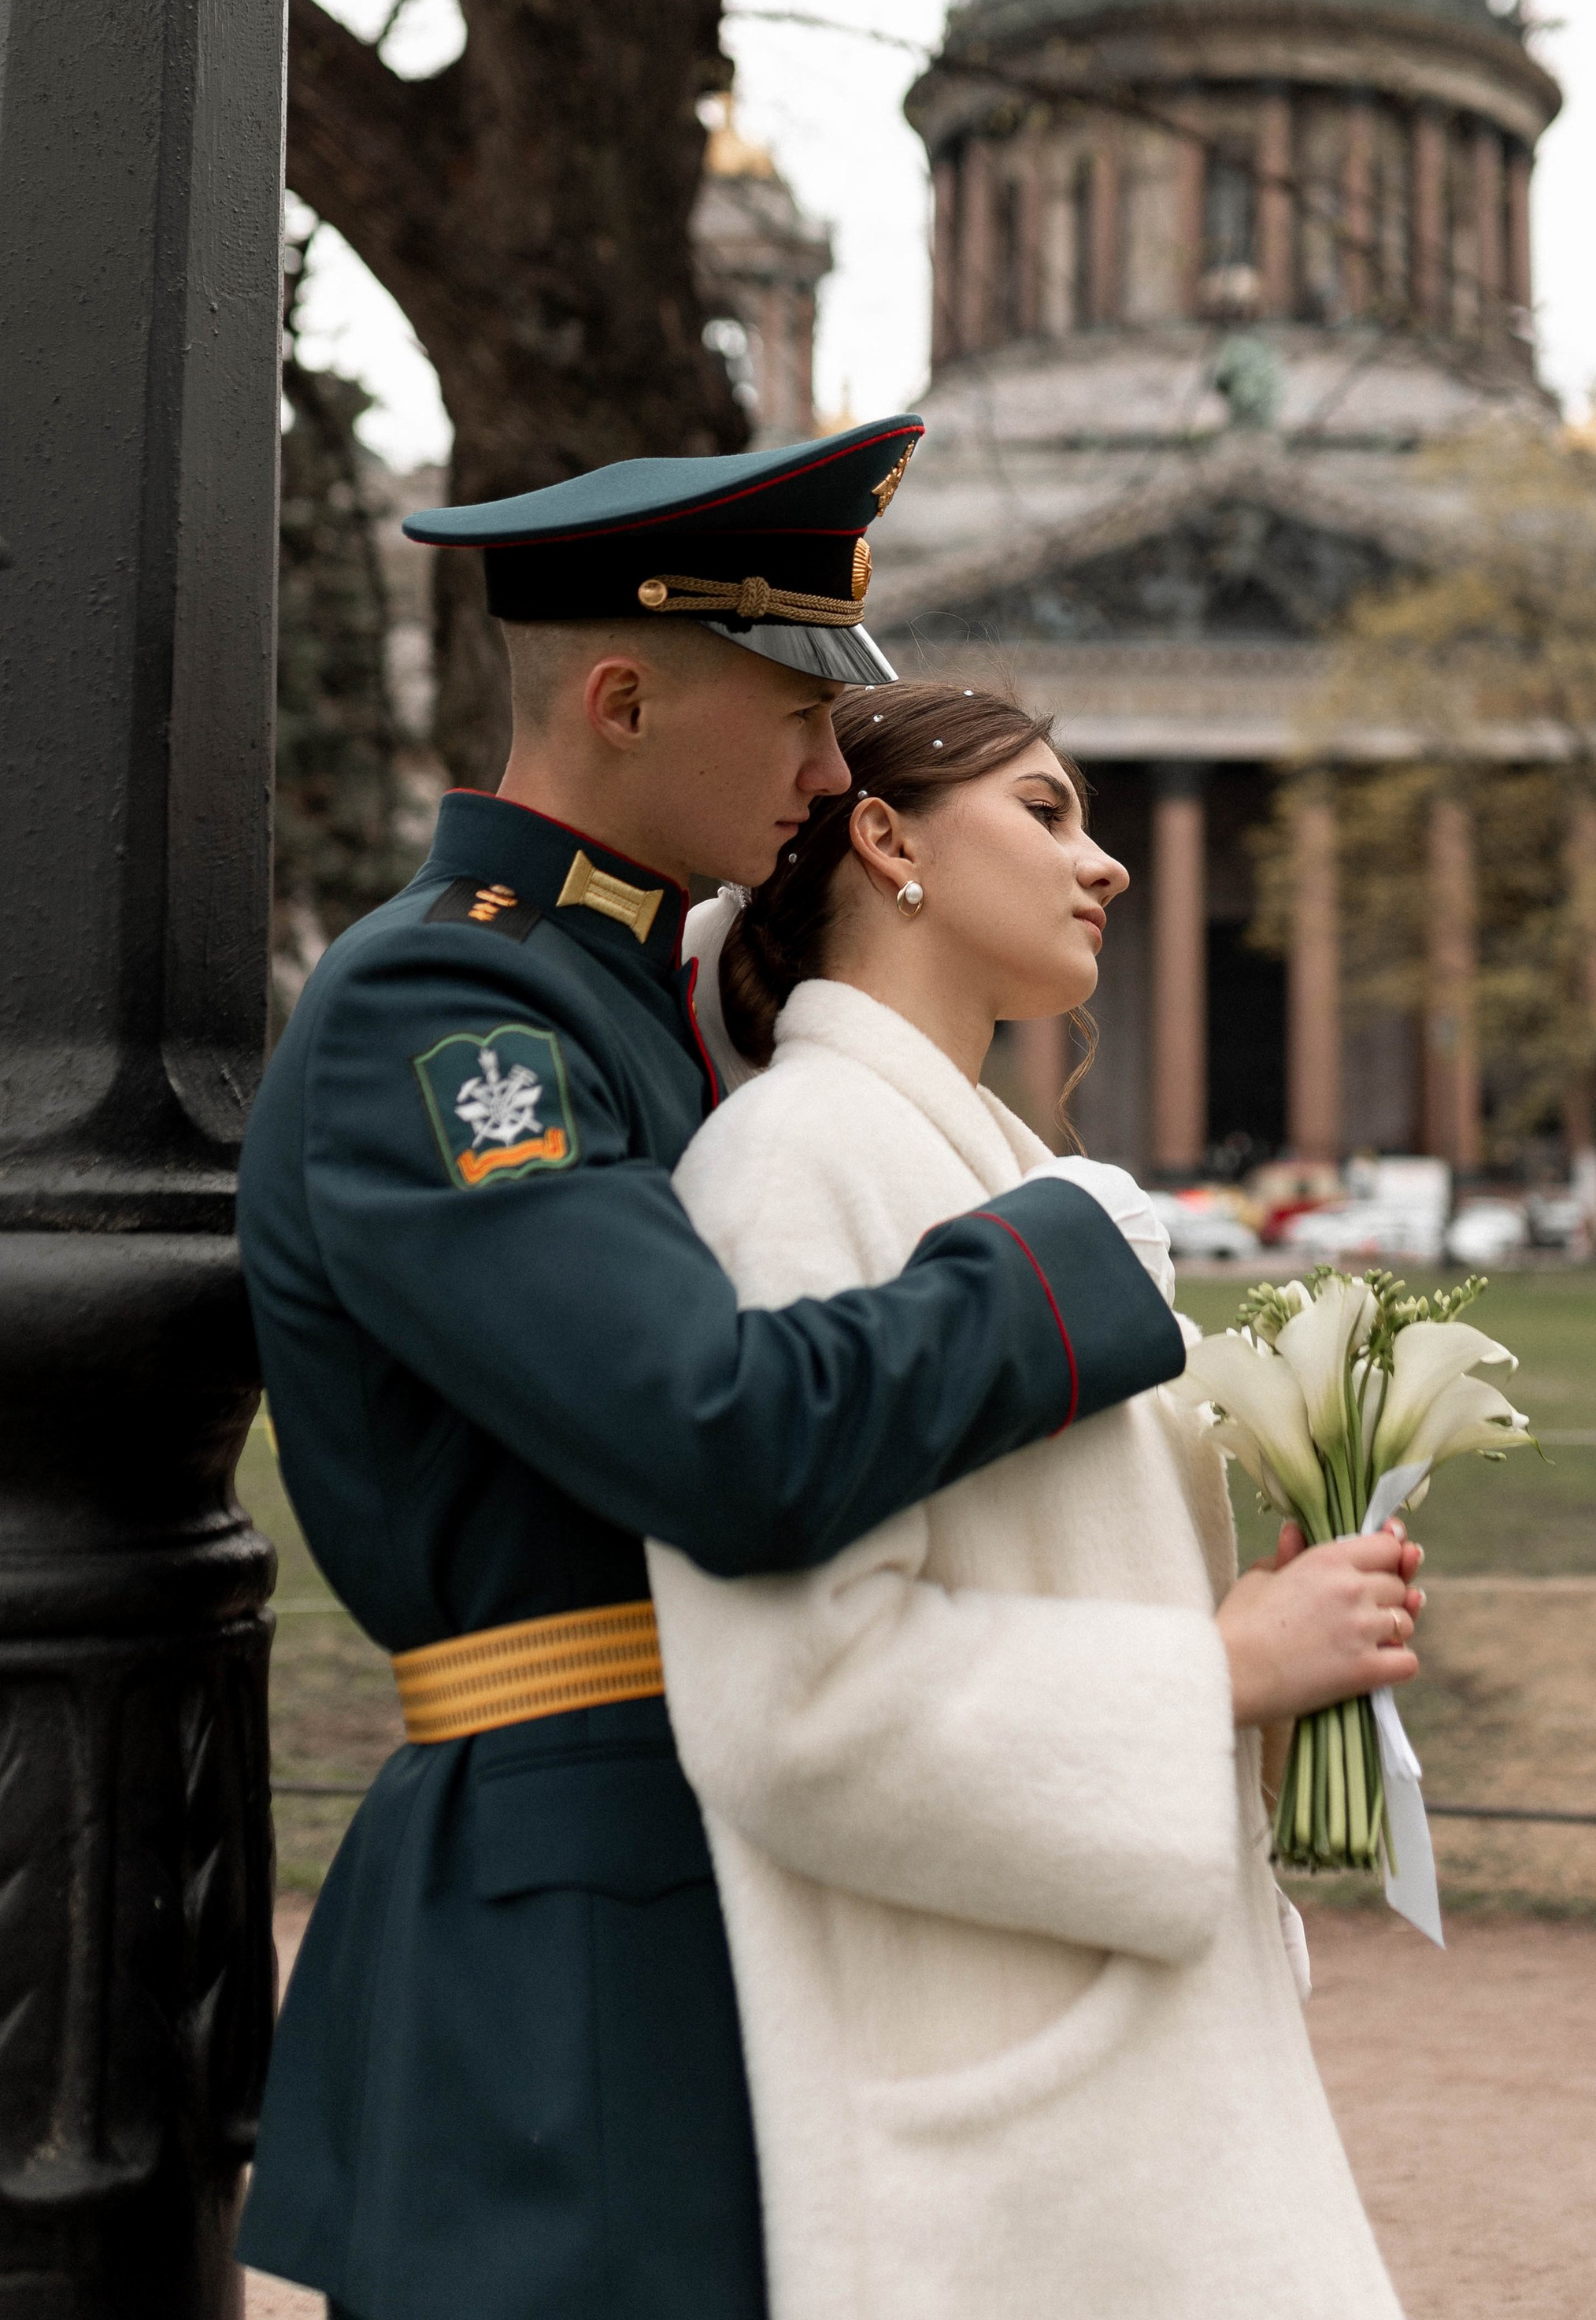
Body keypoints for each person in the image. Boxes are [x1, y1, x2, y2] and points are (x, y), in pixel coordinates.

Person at [234, 417, 1198, 2320]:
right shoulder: (450, 1005)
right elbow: (715, 1433)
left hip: (691, 1860)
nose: (836, 770)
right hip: (571, 1907)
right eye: (795, 717)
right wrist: (1062, 1263)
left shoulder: (622, 1004)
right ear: (615, 696)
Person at [653, 680, 1425, 2320]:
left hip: (1124, 2087)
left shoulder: (999, 1169)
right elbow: (795, 1704)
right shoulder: (794, 1161)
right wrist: (1219, 1671)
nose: (1112, 866)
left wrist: (1287, 1652)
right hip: (1006, 2141)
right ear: (884, 839)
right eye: (1047, 812)